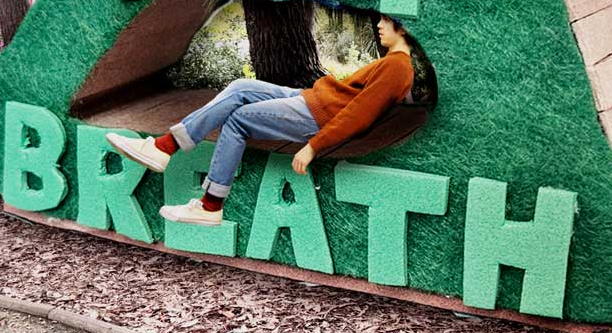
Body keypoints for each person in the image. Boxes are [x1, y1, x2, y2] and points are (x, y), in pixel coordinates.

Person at [106, 15, 416, 226]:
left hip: (318, 115)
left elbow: (360, 114)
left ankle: (210, 205)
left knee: (238, 120)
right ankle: (163, 148)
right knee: (241, 87)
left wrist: (313, 146)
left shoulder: (398, 67)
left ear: (403, 28)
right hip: (312, 98)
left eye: (386, 21)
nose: (378, 24)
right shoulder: (393, 64)